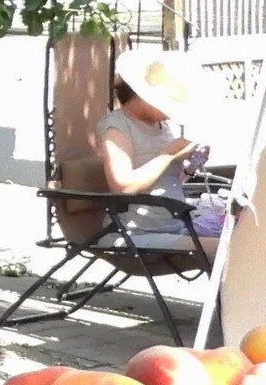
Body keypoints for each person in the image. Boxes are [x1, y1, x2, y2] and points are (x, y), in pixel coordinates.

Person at [96, 49, 224, 241]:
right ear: (142, 95)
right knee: (228, 257)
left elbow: (164, 183)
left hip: (174, 227)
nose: (170, 112)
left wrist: (189, 168)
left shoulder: (162, 126)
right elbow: (123, 185)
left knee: (239, 241)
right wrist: (170, 153)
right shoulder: (116, 127)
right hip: (136, 234)